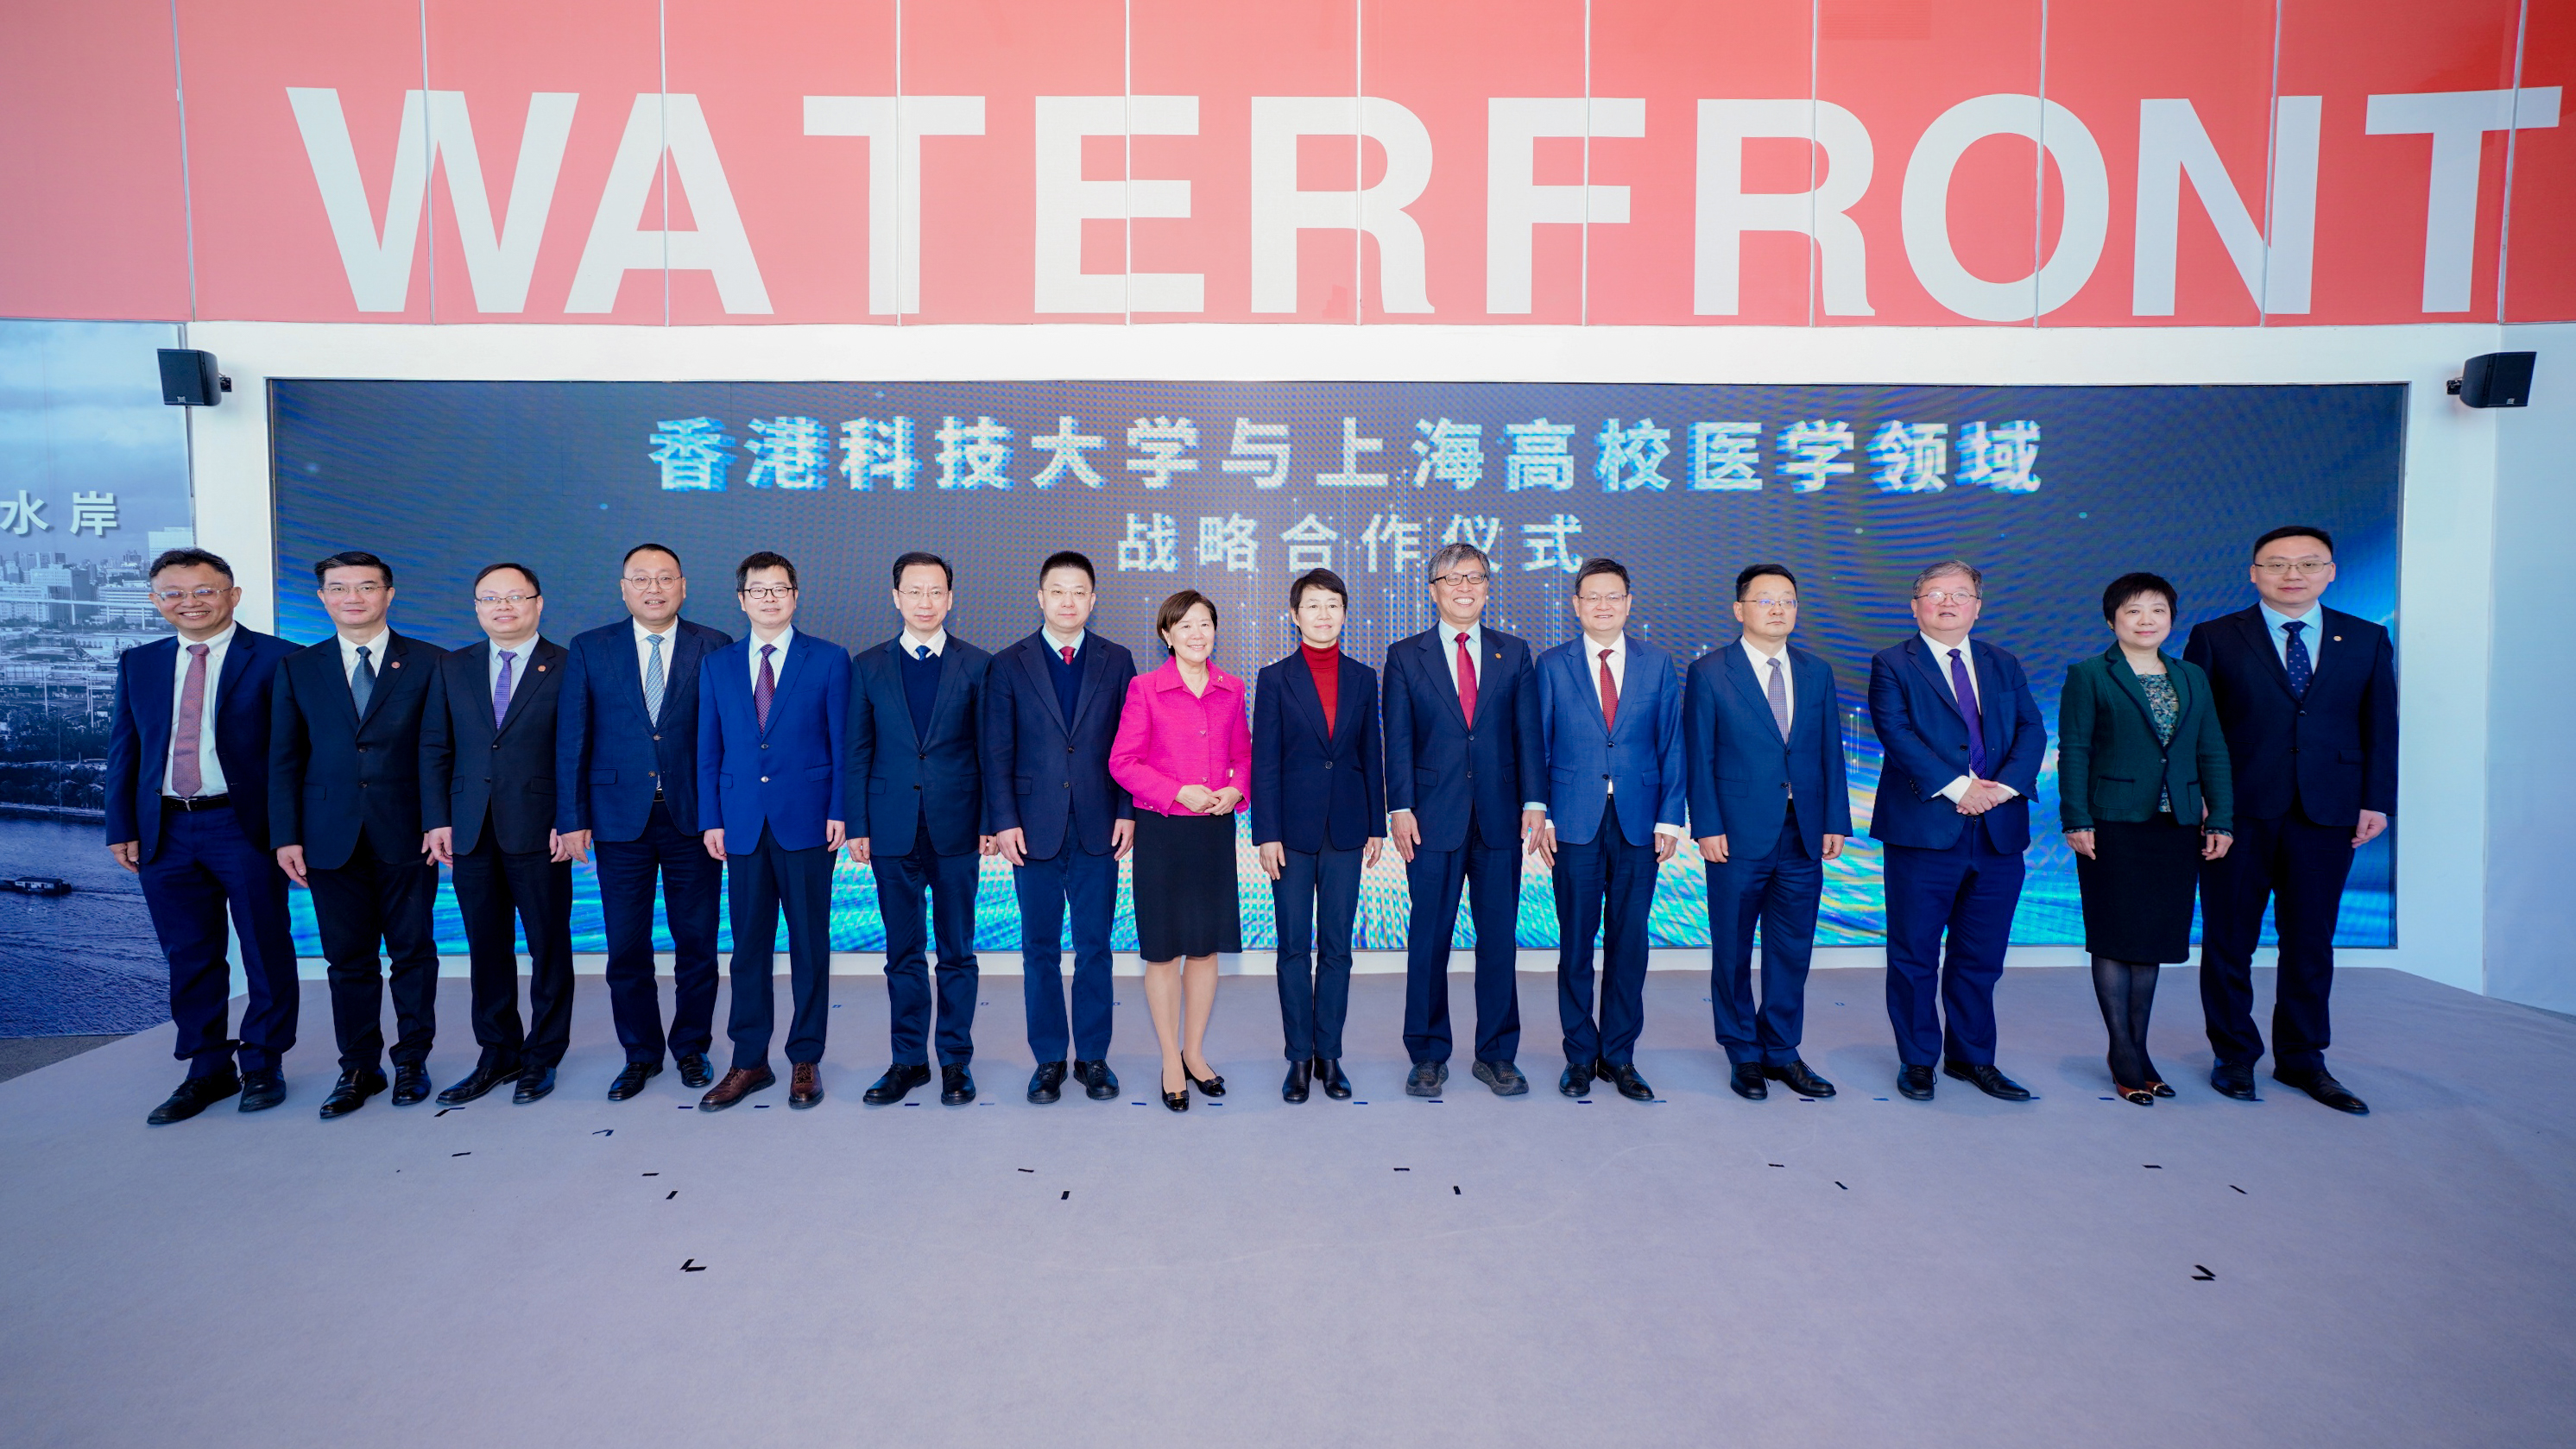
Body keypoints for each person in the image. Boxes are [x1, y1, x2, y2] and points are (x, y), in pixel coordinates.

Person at [2184, 526, 2395, 1115]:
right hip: (2238, 813)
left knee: (2310, 942)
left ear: (2331, 571)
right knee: (2230, 939)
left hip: (2327, 811)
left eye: (2308, 563)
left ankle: (2304, 1059)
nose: (2292, 574)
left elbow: (2381, 725)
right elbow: (2197, 728)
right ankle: (2234, 1056)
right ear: (2254, 572)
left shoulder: (2366, 637)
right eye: (2276, 564)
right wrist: (2206, 801)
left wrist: (2376, 799)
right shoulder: (2216, 636)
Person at [105, 548, 303, 1124]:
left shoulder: (280, 659)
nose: (189, 602)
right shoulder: (138, 662)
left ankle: (264, 1061)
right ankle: (207, 1066)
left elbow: (297, 754)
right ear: (155, 600)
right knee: (188, 953)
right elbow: (125, 749)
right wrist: (122, 823)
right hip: (163, 827)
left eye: (203, 590)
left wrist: (291, 829)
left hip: (243, 825)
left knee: (264, 945)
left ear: (232, 595)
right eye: (173, 592)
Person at [268, 551, 448, 1119]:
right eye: (339, 587)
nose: (353, 597)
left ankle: (412, 1059)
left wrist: (439, 818)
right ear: (322, 597)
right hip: (327, 834)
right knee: (347, 958)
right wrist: (286, 834)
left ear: (389, 594)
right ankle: (358, 1066)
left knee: (413, 951)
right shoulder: (300, 667)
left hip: (409, 829)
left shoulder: (429, 662)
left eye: (367, 586)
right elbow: (284, 758)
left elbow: (440, 752)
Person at [1865, 559, 2049, 1103]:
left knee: (1981, 954)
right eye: (1936, 594)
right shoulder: (1892, 663)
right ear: (1916, 603)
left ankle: (1972, 1058)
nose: (1949, 603)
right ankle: (1918, 1059)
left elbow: (2031, 729)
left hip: (1998, 828)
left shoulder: (2002, 662)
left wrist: (2004, 789)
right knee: (1915, 952)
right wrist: (1956, 788)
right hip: (1924, 829)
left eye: (1961, 594)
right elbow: (1895, 733)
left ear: (1977, 605)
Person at [555, 544, 730, 1100]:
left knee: (697, 942)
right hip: (616, 821)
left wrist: (722, 815)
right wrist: (572, 818)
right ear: (623, 588)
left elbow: (728, 741)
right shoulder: (590, 648)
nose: (653, 589)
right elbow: (573, 738)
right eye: (640, 580)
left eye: (664, 579)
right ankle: (640, 1053)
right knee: (625, 945)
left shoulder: (715, 646)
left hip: (693, 819)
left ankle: (692, 1046)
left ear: (683, 585)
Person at [2060, 572, 2234, 1105]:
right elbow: (2076, 750)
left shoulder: (2191, 677)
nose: (2146, 620)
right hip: (2112, 822)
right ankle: (2124, 1054)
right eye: (2133, 611)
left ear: (2171, 619)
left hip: (2176, 826)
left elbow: (2211, 750)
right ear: (2112, 619)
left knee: (2152, 942)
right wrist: (2076, 819)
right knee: (2116, 937)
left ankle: (2139, 1049)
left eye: (2157, 611)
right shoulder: (2090, 674)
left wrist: (2222, 817)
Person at [1381, 542, 1545, 1099]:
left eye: (1474, 577)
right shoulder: (1406, 656)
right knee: (1429, 938)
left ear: (1487, 587)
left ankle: (1498, 1053)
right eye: (1452, 578)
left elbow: (1528, 734)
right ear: (1433, 590)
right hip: (1431, 819)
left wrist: (1536, 802)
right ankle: (1426, 1053)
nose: (1464, 587)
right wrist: (1399, 807)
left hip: (1500, 817)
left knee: (1498, 939)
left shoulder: (1514, 652)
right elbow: (1398, 739)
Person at [1683, 564, 1851, 1102]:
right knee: (1731, 948)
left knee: (1791, 947)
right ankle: (1742, 1052)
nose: (1777, 609)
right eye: (1765, 600)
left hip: (1802, 834)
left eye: (1787, 600)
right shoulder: (1709, 672)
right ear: (1740, 609)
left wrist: (1834, 821)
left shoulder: (1816, 671)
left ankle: (1781, 1050)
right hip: (1735, 834)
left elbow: (1830, 751)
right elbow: (1699, 756)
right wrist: (1705, 825)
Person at [695, 552, 849, 1111]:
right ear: (741, 599)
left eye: (779, 588)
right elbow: (707, 748)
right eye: (758, 590)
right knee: (748, 948)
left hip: (808, 821)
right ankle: (748, 1060)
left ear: (795, 594)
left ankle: (805, 1057)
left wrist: (840, 809)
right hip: (740, 824)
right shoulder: (718, 665)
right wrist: (711, 817)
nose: (769, 598)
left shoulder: (830, 659)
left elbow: (841, 744)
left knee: (810, 944)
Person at [982, 551, 1137, 1105]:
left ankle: (1093, 1058)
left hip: (1100, 825)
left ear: (1093, 600)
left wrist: (1127, 811)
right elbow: (995, 751)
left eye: (1079, 592)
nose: (1069, 601)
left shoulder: (1117, 661)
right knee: (1040, 947)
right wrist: (1002, 821)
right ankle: (1048, 1058)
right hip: (1033, 828)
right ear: (1040, 597)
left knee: (1096, 947)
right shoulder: (1008, 664)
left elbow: (1128, 747)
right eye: (1058, 591)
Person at [1529, 559, 1686, 1103]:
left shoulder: (1658, 664)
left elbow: (1672, 744)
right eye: (1591, 596)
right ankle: (1578, 1055)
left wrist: (1670, 817)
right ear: (1575, 605)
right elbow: (1539, 747)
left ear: (1627, 602)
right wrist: (1542, 813)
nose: (1603, 605)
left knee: (1629, 943)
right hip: (1572, 822)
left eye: (1613, 596)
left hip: (1640, 822)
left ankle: (1619, 1056)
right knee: (1575, 943)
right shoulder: (1551, 664)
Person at [421, 564, 574, 1106]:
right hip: (470, 828)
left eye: (514, 597)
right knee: (486, 946)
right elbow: (436, 746)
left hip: (542, 827)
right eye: (490, 598)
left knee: (548, 945)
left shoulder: (567, 664)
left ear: (538, 602)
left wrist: (571, 818)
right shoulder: (453, 665)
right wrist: (438, 818)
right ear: (477, 607)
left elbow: (576, 749)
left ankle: (544, 1054)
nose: (502, 607)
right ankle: (498, 1051)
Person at [846, 551, 992, 1107]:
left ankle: (955, 1061)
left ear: (951, 598)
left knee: (957, 951)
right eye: (915, 591)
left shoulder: (978, 666)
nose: (925, 601)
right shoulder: (868, 666)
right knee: (901, 952)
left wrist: (988, 822)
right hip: (890, 830)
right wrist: (858, 823)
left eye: (936, 592)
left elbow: (987, 752)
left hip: (957, 829)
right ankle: (908, 1060)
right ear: (896, 597)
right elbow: (859, 752)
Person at [1109, 589, 1250, 1112]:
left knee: (1205, 947)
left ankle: (1195, 1052)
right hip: (1163, 833)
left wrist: (1237, 789)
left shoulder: (1232, 688)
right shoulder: (1145, 689)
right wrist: (1175, 790)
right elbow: (1123, 762)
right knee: (1165, 950)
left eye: (1206, 624)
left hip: (1214, 831)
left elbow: (1243, 755)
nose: (1197, 633)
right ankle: (1171, 1057)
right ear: (1167, 634)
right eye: (1185, 625)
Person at [1251, 568, 1384, 1103]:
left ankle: (1330, 1056)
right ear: (1294, 615)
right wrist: (1267, 833)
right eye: (1313, 605)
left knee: (1336, 949)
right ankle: (1298, 1059)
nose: (1323, 614)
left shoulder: (1363, 677)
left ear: (1344, 614)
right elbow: (1264, 763)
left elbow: (1368, 756)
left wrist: (1376, 822)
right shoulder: (1274, 678)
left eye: (1333, 604)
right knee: (1291, 949)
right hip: (1292, 833)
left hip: (1347, 830)